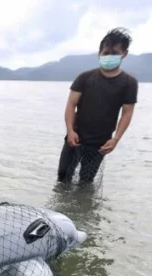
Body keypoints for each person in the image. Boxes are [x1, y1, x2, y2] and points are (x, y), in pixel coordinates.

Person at [58, 27, 138, 184]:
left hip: (100, 143)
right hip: (75, 137)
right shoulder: (85, 77)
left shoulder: (129, 83)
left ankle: (83, 207)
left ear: (124, 54)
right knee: (62, 177)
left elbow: (127, 113)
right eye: (106, 53)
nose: (109, 57)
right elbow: (71, 105)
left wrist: (115, 139)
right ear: (99, 53)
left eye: (115, 53)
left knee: (86, 182)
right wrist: (70, 130)